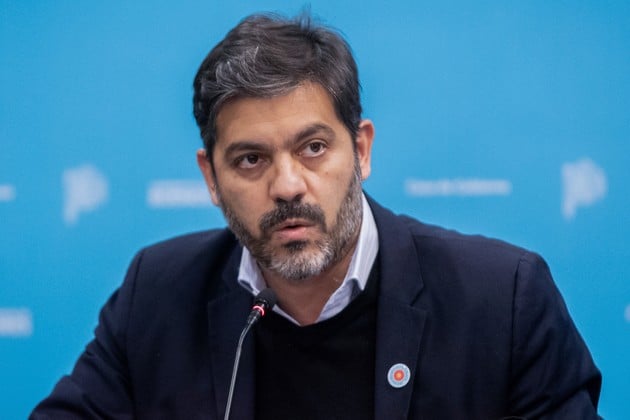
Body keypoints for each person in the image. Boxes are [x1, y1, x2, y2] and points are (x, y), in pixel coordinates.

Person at [31, 12, 602, 419]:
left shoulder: (502, 299)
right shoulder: (157, 294)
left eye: (313, 148)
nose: (287, 186)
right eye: (251, 159)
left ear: (362, 150)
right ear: (211, 178)